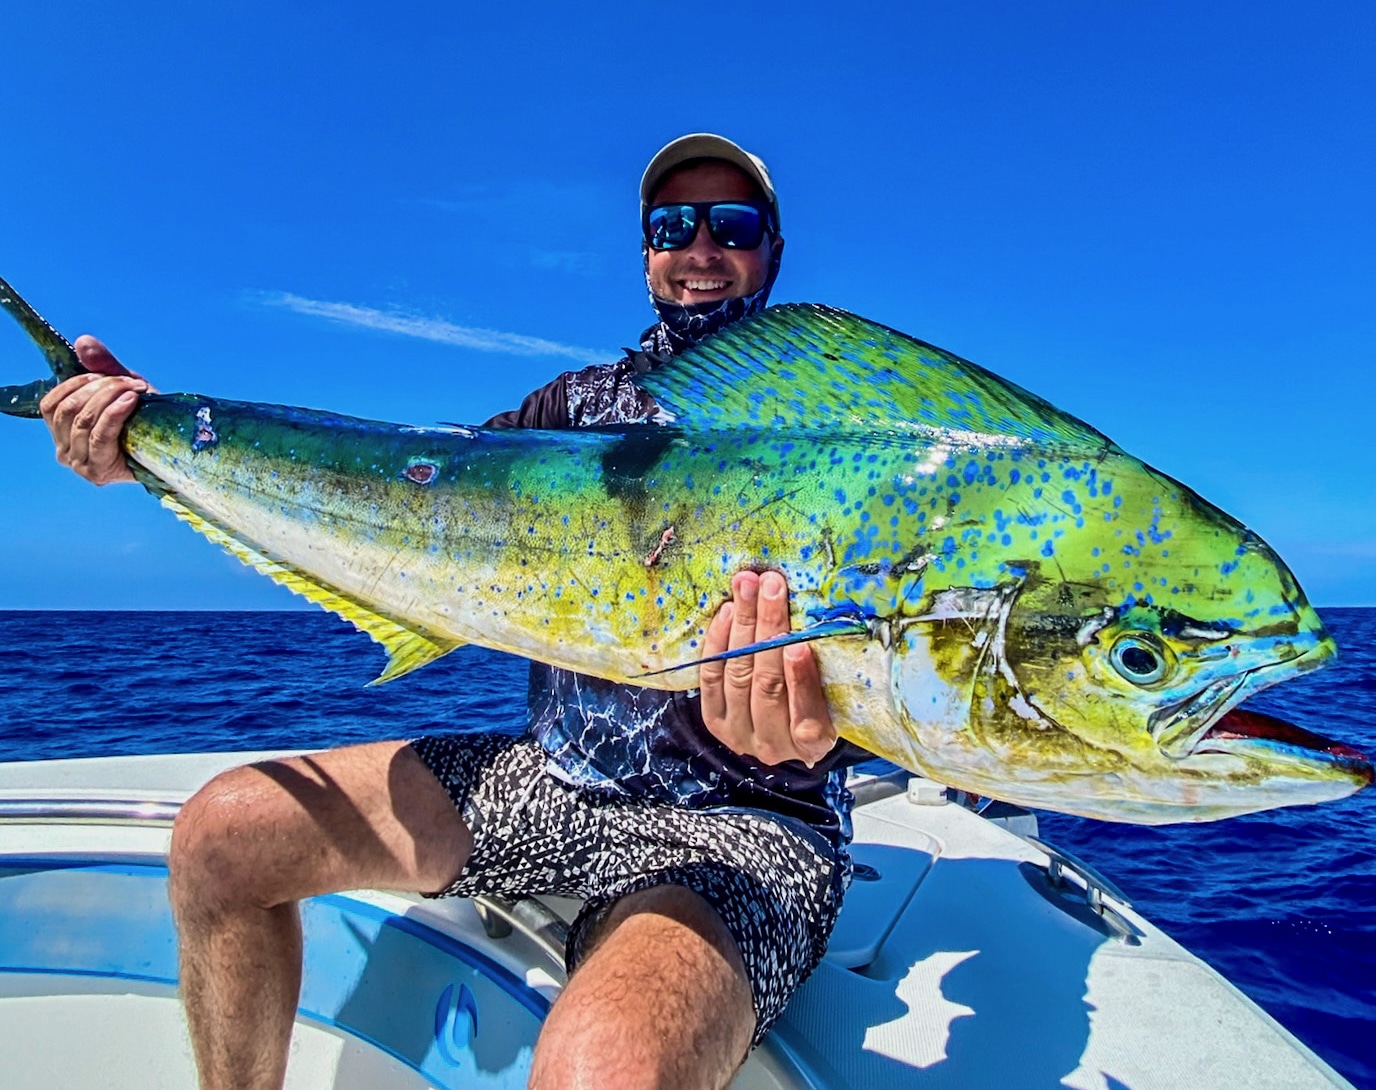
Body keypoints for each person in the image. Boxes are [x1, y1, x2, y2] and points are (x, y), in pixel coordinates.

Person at [39, 133, 865, 1090]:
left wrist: (827, 738)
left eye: (732, 224)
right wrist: (151, 441)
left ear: (771, 248)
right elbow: (403, 497)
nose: (700, 248)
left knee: (604, 1073)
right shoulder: (569, 409)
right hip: (554, 782)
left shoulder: (836, 436)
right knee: (221, 836)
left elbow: (906, 666)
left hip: (747, 826)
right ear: (645, 253)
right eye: (672, 226)